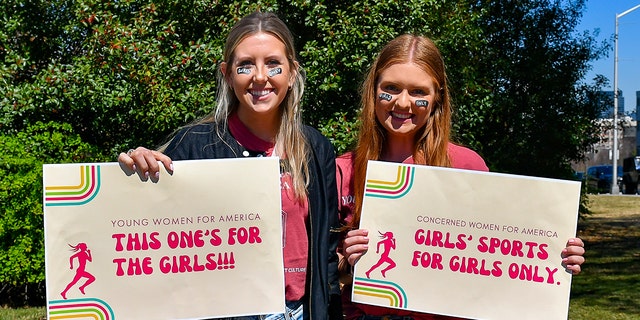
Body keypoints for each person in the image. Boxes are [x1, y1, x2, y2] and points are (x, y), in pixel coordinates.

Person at [336, 34, 586, 320]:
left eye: (418, 92)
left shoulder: (467, 166)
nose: (402, 103)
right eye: (390, 88)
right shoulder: (343, 170)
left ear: (436, 97)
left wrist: (558, 255)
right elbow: (321, 268)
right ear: (373, 90)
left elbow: (502, 254)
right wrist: (349, 258)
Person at [118, 11, 342, 320]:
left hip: (302, 310)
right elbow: (151, 238)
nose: (260, 76)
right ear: (227, 74)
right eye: (245, 65)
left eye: (273, 64)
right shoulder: (196, 146)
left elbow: (326, 248)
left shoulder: (315, 148)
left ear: (292, 73)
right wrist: (135, 173)